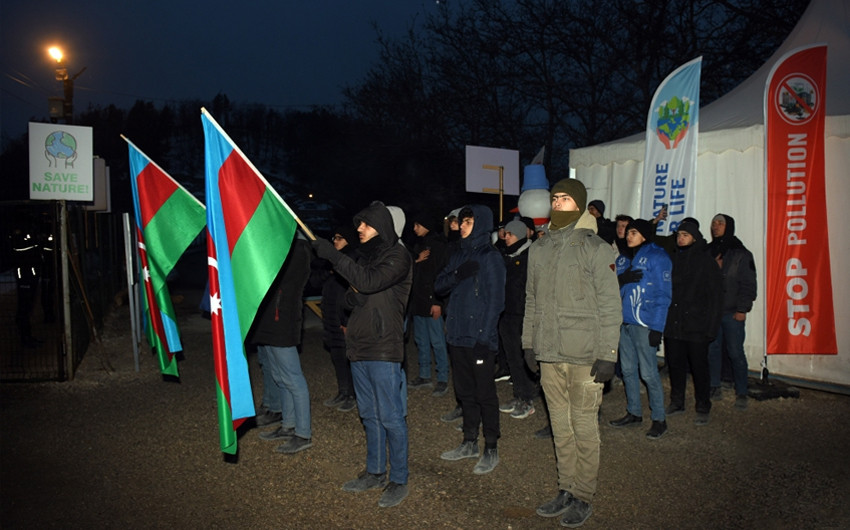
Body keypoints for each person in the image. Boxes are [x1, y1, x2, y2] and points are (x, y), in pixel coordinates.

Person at [524, 178, 621, 528]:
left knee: (583, 426)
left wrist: (608, 352)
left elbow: (611, 305)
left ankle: (584, 494)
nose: (558, 203)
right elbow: (531, 300)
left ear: (578, 205)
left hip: (584, 355)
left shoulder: (596, 248)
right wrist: (528, 343)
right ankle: (565, 487)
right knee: (559, 426)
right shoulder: (539, 247)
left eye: (565, 198)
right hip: (549, 351)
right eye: (554, 198)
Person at [311, 201, 413, 508]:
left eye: (365, 224)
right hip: (359, 345)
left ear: (380, 226)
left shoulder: (399, 256)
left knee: (391, 416)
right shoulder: (367, 258)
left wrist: (335, 256)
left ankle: (399, 478)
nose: (358, 229)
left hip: (383, 346)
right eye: (359, 224)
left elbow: (367, 283)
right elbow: (350, 294)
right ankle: (374, 471)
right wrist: (351, 300)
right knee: (368, 414)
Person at [435, 204, 505, 475]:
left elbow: (496, 301)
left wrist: (484, 338)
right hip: (457, 335)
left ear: (481, 223)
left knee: (484, 393)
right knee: (464, 392)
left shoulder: (491, 257)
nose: (461, 226)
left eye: (467, 221)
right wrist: (457, 275)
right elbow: (439, 285)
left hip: (479, 340)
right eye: (461, 221)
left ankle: (491, 446)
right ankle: (469, 442)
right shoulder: (458, 254)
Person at [250, 235, 314, 454]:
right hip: (271, 321)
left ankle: (303, 432)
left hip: (282, 322)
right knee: (280, 377)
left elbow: (277, 279)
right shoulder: (283, 246)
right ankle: (288, 425)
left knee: (293, 379)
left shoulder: (298, 250)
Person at [610, 219, 672, 440]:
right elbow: (607, 287)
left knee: (648, 372)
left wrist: (657, 327)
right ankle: (634, 412)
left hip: (644, 323)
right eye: (627, 232)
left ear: (645, 235)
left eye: (633, 232)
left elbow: (663, 294)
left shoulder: (658, 257)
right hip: (624, 322)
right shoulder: (623, 259)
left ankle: (659, 419)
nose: (628, 235)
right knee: (627, 370)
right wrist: (620, 279)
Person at [663, 221, 723, 425]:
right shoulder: (672, 259)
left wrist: (711, 327)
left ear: (694, 238)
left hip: (697, 327)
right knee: (675, 365)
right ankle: (677, 401)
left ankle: (703, 405)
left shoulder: (706, 262)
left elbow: (716, 297)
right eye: (679, 234)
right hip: (674, 325)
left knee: (699, 368)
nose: (680, 238)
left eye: (685, 235)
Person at [706, 214, 757, 409]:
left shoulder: (741, 254)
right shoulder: (709, 251)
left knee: (736, 352)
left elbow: (749, 284)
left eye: (720, 223)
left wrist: (742, 309)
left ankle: (742, 392)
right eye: (713, 223)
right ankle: (714, 386)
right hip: (713, 312)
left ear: (729, 226)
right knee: (713, 350)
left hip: (732, 312)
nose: (715, 226)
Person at [316, 225, 360, 412]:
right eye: (334, 237)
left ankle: (353, 394)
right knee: (337, 356)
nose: (335, 241)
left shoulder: (352, 260)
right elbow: (316, 281)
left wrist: (347, 321)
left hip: (345, 318)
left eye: (339, 238)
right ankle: (343, 391)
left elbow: (352, 293)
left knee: (349, 357)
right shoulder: (332, 261)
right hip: (331, 315)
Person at [408, 211, 450, 397]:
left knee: (437, 341)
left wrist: (437, 301)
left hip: (431, 301)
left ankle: (442, 378)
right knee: (421, 341)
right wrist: (415, 262)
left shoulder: (439, 246)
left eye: (418, 224)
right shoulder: (419, 246)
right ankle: (424, 375)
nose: (415, 228)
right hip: (418, 302)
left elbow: (440, 274)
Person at [497, 219, 536, 420]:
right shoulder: (508, 256)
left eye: (510, 234)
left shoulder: (530, 256)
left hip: (522, 315)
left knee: (523, 358)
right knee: (512, 358)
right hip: (507, 313)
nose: (505, 237)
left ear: (520, 235)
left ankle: (528, 399)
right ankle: (519, 394)